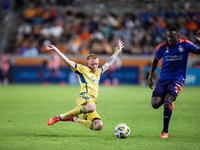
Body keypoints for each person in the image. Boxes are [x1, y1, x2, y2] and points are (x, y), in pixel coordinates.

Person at [45, 39, 124, 131]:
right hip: (84, 98)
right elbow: (68, 62)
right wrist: (55, 49)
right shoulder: (82, 69)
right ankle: (60, 117)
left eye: (96, 64)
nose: (95, 66)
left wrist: (117, 50)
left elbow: (109, 63)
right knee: (92, 107)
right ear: (87, 64)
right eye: (92, 64)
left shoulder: (99, 71)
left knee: (99, 126)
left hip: (86, 106)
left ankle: (74, 118)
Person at [148, 26, 200, 138]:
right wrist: (150, 76)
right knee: (155, 104)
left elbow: (198, 51)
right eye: (168, 36)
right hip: (163, 80)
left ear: (177, 36)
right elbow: (155, 60)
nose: (169, 39)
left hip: (177, 79)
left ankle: (165, 132)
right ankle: (169, 106)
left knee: (167, 101)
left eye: (172, 37)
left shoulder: (185, 44)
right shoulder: (162, 46)